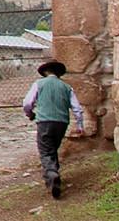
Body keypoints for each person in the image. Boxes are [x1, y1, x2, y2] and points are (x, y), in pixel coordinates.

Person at [22, 58, 86, 199]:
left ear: (45, 72)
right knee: (53, 148)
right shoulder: (67, 87)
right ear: (59, 73)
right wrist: (80, 125)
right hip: (62, 123)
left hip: (44, 121)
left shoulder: (39, 84)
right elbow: (77, 108)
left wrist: (30, 114)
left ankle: (52, 175)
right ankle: (54, 174)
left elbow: (27, 103)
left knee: (45, 150)